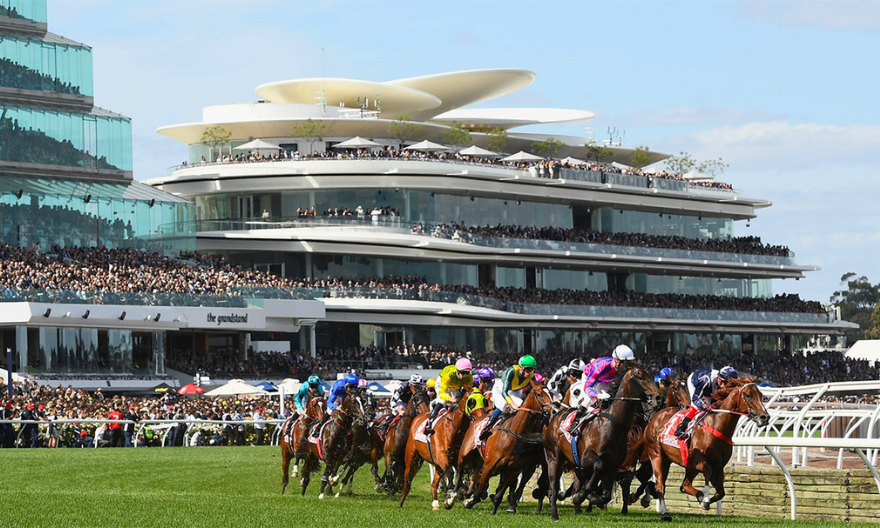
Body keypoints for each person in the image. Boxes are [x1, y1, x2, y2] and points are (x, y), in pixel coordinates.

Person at [569, 344, 635, 432]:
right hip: (589, 377)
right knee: (589, 399)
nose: (628, 367)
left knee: (611, 397)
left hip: (604, 380)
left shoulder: (620, 368)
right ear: (617, 361)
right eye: (626, 363)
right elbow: (587, 387)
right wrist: (598, 395)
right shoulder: (601, 366)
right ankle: (575, 423)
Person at [481, 355, 537, 439]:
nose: (530, 373)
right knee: (503, 404)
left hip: (514, 390)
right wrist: (512, 403)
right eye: (528, 370)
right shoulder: (512, 371)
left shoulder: (532, 376)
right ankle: (487, 427)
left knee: (521, 405)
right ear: (521, 368)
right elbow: (504, 392)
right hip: (501, 388)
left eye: (532, 370)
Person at [676, 366, 738, 438]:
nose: (728, 387)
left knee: (714, 406)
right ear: (720, 380)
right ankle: (681, 427)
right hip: (695, 382)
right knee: (696, 407)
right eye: (726, 384)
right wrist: (704, 405)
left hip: (710, 386)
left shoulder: (722, 382)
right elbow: (695, 399)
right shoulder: (705, 380)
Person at [424, 358, 473, 435]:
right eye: (463, 372)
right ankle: (429, 423)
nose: (465, 375)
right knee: (442, 401)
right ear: (457, 370)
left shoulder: (469, 377)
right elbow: (441, 393)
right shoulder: (448, 375)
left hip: (455, 385)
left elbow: (469, 390)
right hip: (442, 382)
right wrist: (449, 398)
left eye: (467, 373)